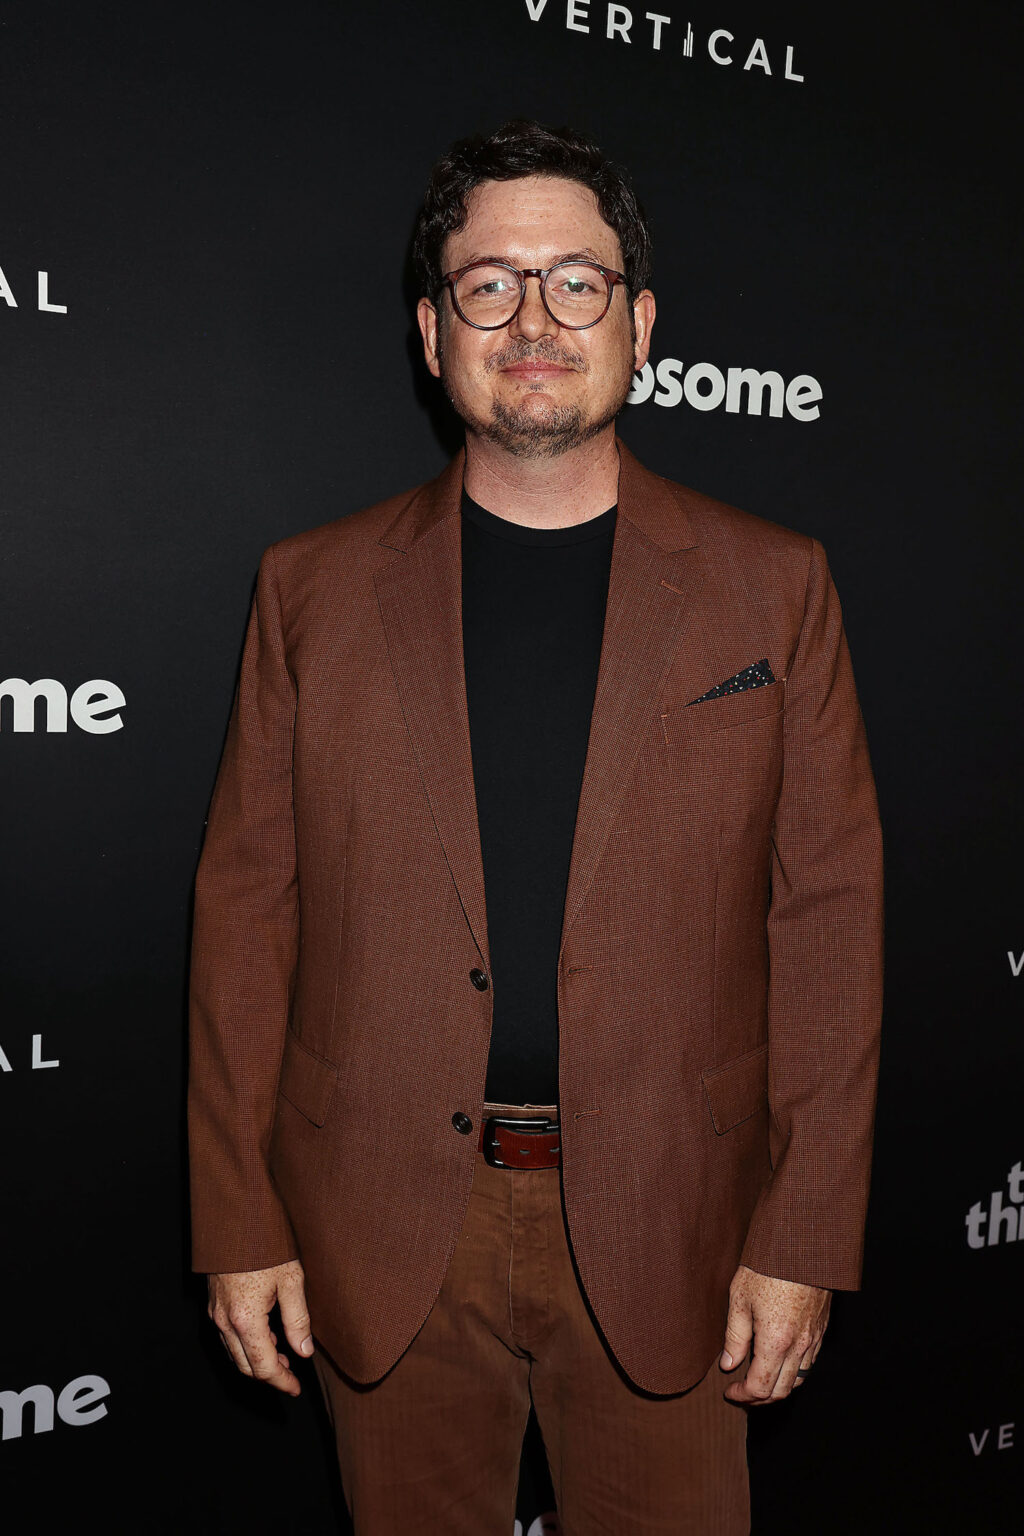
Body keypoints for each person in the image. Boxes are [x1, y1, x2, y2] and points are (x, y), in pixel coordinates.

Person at [187, 119, 884, 1534]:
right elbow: (247, 914)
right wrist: (239, 1220)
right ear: (431, 329)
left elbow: (828, 926)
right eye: (488, 283)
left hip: (675, 1223)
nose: (533, 318)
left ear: (639, 321)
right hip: (381, 1223)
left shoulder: (776, 590)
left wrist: (803, 1237)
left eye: (576, 279)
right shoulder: (308, 593)